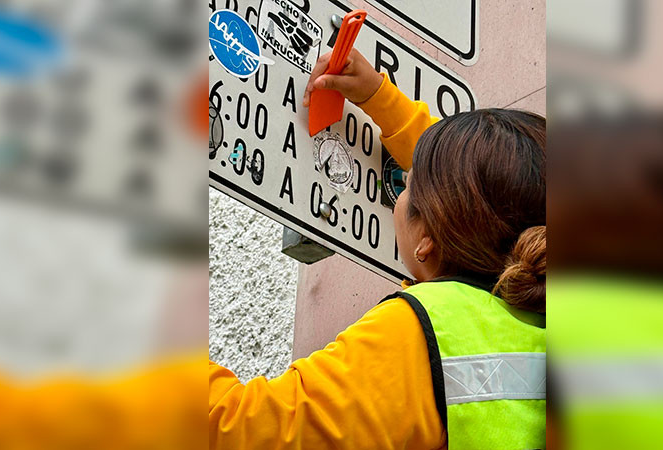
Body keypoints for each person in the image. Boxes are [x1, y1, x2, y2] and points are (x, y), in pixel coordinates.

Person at [209, 49, 547, 450]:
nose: (400, 187)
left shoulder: (427, 334)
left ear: (427, 240)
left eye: (407, 186)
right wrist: (379, 98)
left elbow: (241, 432)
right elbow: (498, 182)